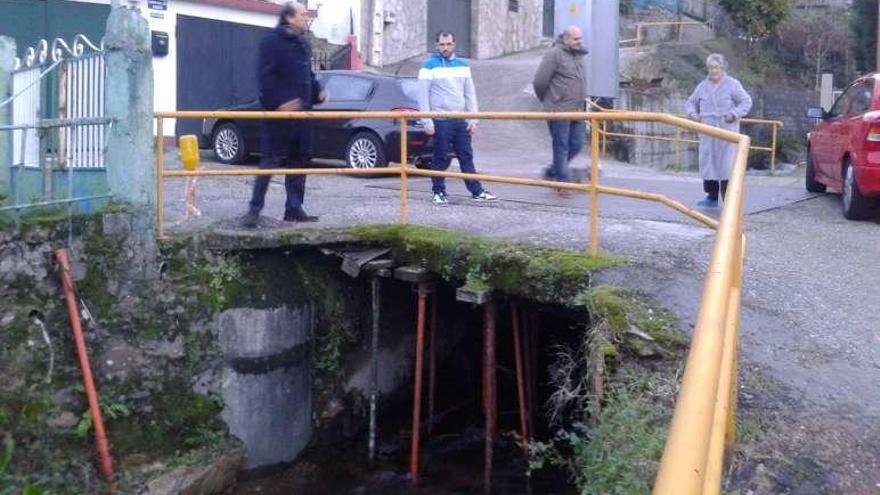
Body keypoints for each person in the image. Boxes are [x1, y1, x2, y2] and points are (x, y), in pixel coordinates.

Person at [242, 2, 327, 228]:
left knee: (299, 161)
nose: (307, 18)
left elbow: (308, 74)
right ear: (289, 17)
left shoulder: (303, 44)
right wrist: (279, 103)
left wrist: (318, 92)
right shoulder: (271, 42)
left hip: (303, 115)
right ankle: (254, 210)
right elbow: (264, 77)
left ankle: (294, 209)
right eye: (303, 14)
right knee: (269, 162)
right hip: (279, 116)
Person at [418, 31, 496, 206]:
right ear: (437, 45)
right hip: (441, 120)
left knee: (466, 156)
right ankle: (438, 192)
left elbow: (470, 94)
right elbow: (423, 95)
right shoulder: (428, 66)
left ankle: (477, 191)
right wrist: (427, 121)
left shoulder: (463, 65)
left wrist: (473, 119)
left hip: (460, 120)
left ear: (454, 44)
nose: (445, 48)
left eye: (449, 44)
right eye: (442, 44)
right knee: (440, 157)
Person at [685, 53, 752, 208]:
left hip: (726, 131)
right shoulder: (702, 86)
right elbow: (690, 102)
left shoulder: (732, 84)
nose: (713, 71)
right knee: (708, 163)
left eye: (716, 67)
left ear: (722, 68)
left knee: (726, 166)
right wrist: (693, 114)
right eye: (710, 68)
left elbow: (746, 101)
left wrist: (734, 114)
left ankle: (729, 201)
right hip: (707, 131)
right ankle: (711, 196)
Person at [532, 26, 589, 188]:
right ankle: (563, 183)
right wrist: (549, 100)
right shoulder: (554, 54)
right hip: (558, 110)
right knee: (561, 146)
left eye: (580, 38)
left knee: (577, 145)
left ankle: (552, 171)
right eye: (576, 39)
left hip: (577, 110)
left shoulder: (578, 56)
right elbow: (539, 81)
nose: (579, 42)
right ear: (566, 39)